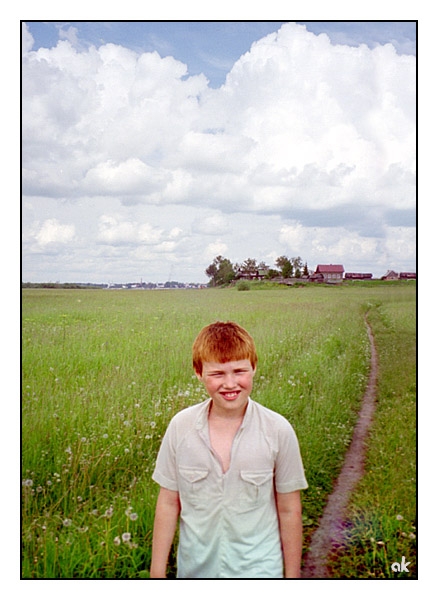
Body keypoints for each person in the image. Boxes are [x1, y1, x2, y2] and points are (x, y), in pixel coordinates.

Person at [150, 321, 308, 579]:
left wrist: (292, 578)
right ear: (198, 372)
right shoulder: (181, 427)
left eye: (239, 371)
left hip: (259, 573)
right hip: (194, 572)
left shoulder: (278, 430)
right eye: (217, 374)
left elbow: (289, 509)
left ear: (254, 368)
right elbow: (168, 502)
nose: (230, 383)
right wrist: (156, 574)